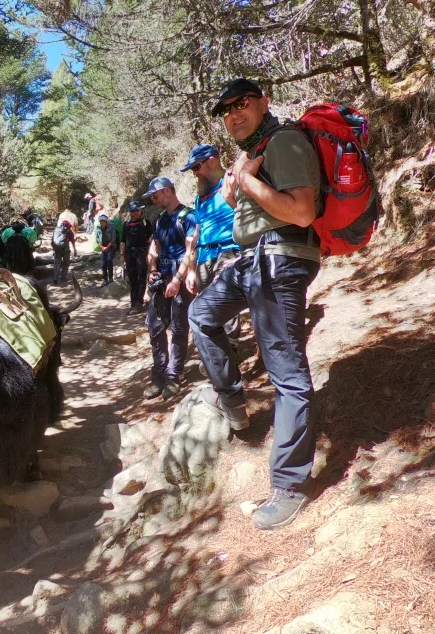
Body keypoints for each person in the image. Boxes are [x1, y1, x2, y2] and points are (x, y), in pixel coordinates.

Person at [187, 78, 322, 531]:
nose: (233, 113)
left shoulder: (284, 141)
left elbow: (302, 211)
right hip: (253, 261)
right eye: (225, 110)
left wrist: (245, 180)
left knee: (286, 371)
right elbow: (259, 209)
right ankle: (234, 402)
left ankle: (289, 486)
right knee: (201, 314)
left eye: (241, 103)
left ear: (264, 101)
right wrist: (237, 194)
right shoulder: (258, 149)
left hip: (281, 259)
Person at [178, 144, 241, 337]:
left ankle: (232, 353)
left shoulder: (232, 182)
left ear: (211, 160)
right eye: (192, 170)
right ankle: (217, 357)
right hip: (204, 258)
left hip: (228, 252)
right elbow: (196, 235)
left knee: (225, 306)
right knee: (207, 308)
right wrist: (190, 270)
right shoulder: (201, 197)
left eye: (196, 167)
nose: (194, 173)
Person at [143, 177, 197, 400]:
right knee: (154, 326)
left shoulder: (189, 216)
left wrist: (178, 278)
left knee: (179, 327)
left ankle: (174, 375)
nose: (153, 200)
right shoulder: (159, 220)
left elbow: (191, 250)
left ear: (167, 191)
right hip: (162, 275)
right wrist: (152, 269)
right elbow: (154, 247)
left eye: (155, 195)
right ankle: (158, 374)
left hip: (179, 276)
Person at [120, 201, 152, 314]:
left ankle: (139, 302)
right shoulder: (126, 224)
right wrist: (122, 255)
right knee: (132, 278)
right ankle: (133, 303)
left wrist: (150, 254)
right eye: (134, 211)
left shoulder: (146, 223)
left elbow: (151, 239)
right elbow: (123, 240)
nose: (136, 213)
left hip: (142, 253)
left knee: (142, 278)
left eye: (137, 210)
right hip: (129, 254)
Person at [50, 218, 77, 284]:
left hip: (57, 250)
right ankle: (63, 278)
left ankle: (55, 278)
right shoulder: (69, 231)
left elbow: (52, 240)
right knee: (66, 264)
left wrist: (54, 248)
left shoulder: (56, 230)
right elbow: (73, 241)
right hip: (66, 250)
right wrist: (74, 249)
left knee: (57, 264)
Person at [94, 213, 117, 286]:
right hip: (103, 246)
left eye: (103, 222)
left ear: (106, 222)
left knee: (109, 260)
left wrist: (107, 247)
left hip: (111, 246)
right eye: (101, 222)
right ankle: (105, 279)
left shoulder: (111, 227)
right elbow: (97, 239)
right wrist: (102, 247)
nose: (102, 223)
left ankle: (110, 278)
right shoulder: (98, 227)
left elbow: (113, 239)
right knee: (103, 264)